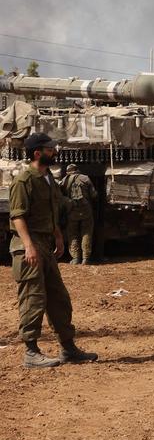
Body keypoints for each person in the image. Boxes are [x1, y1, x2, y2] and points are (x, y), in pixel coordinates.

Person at [8, 133, 98, 368]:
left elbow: (53, 210)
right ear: (38, 153)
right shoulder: (24, 180)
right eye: (50, 149)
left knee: (59, 299)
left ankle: (68, 349)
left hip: (46, 245)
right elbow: (17, 216)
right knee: (33, 299)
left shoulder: (48, 178)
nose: (55, 152)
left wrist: (58, 235)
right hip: (28, 247)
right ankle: (31, 352)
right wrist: (28, 245)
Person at [62, 163, 96, 265]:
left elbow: (59, 195)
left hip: (72, 210)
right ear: (77, 170)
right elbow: (94, 194)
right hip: (86, 209)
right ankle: (85, 258)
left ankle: (76, 258)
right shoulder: (85, 178)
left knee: (72, 234)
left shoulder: (64, 180)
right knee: (86, 233)